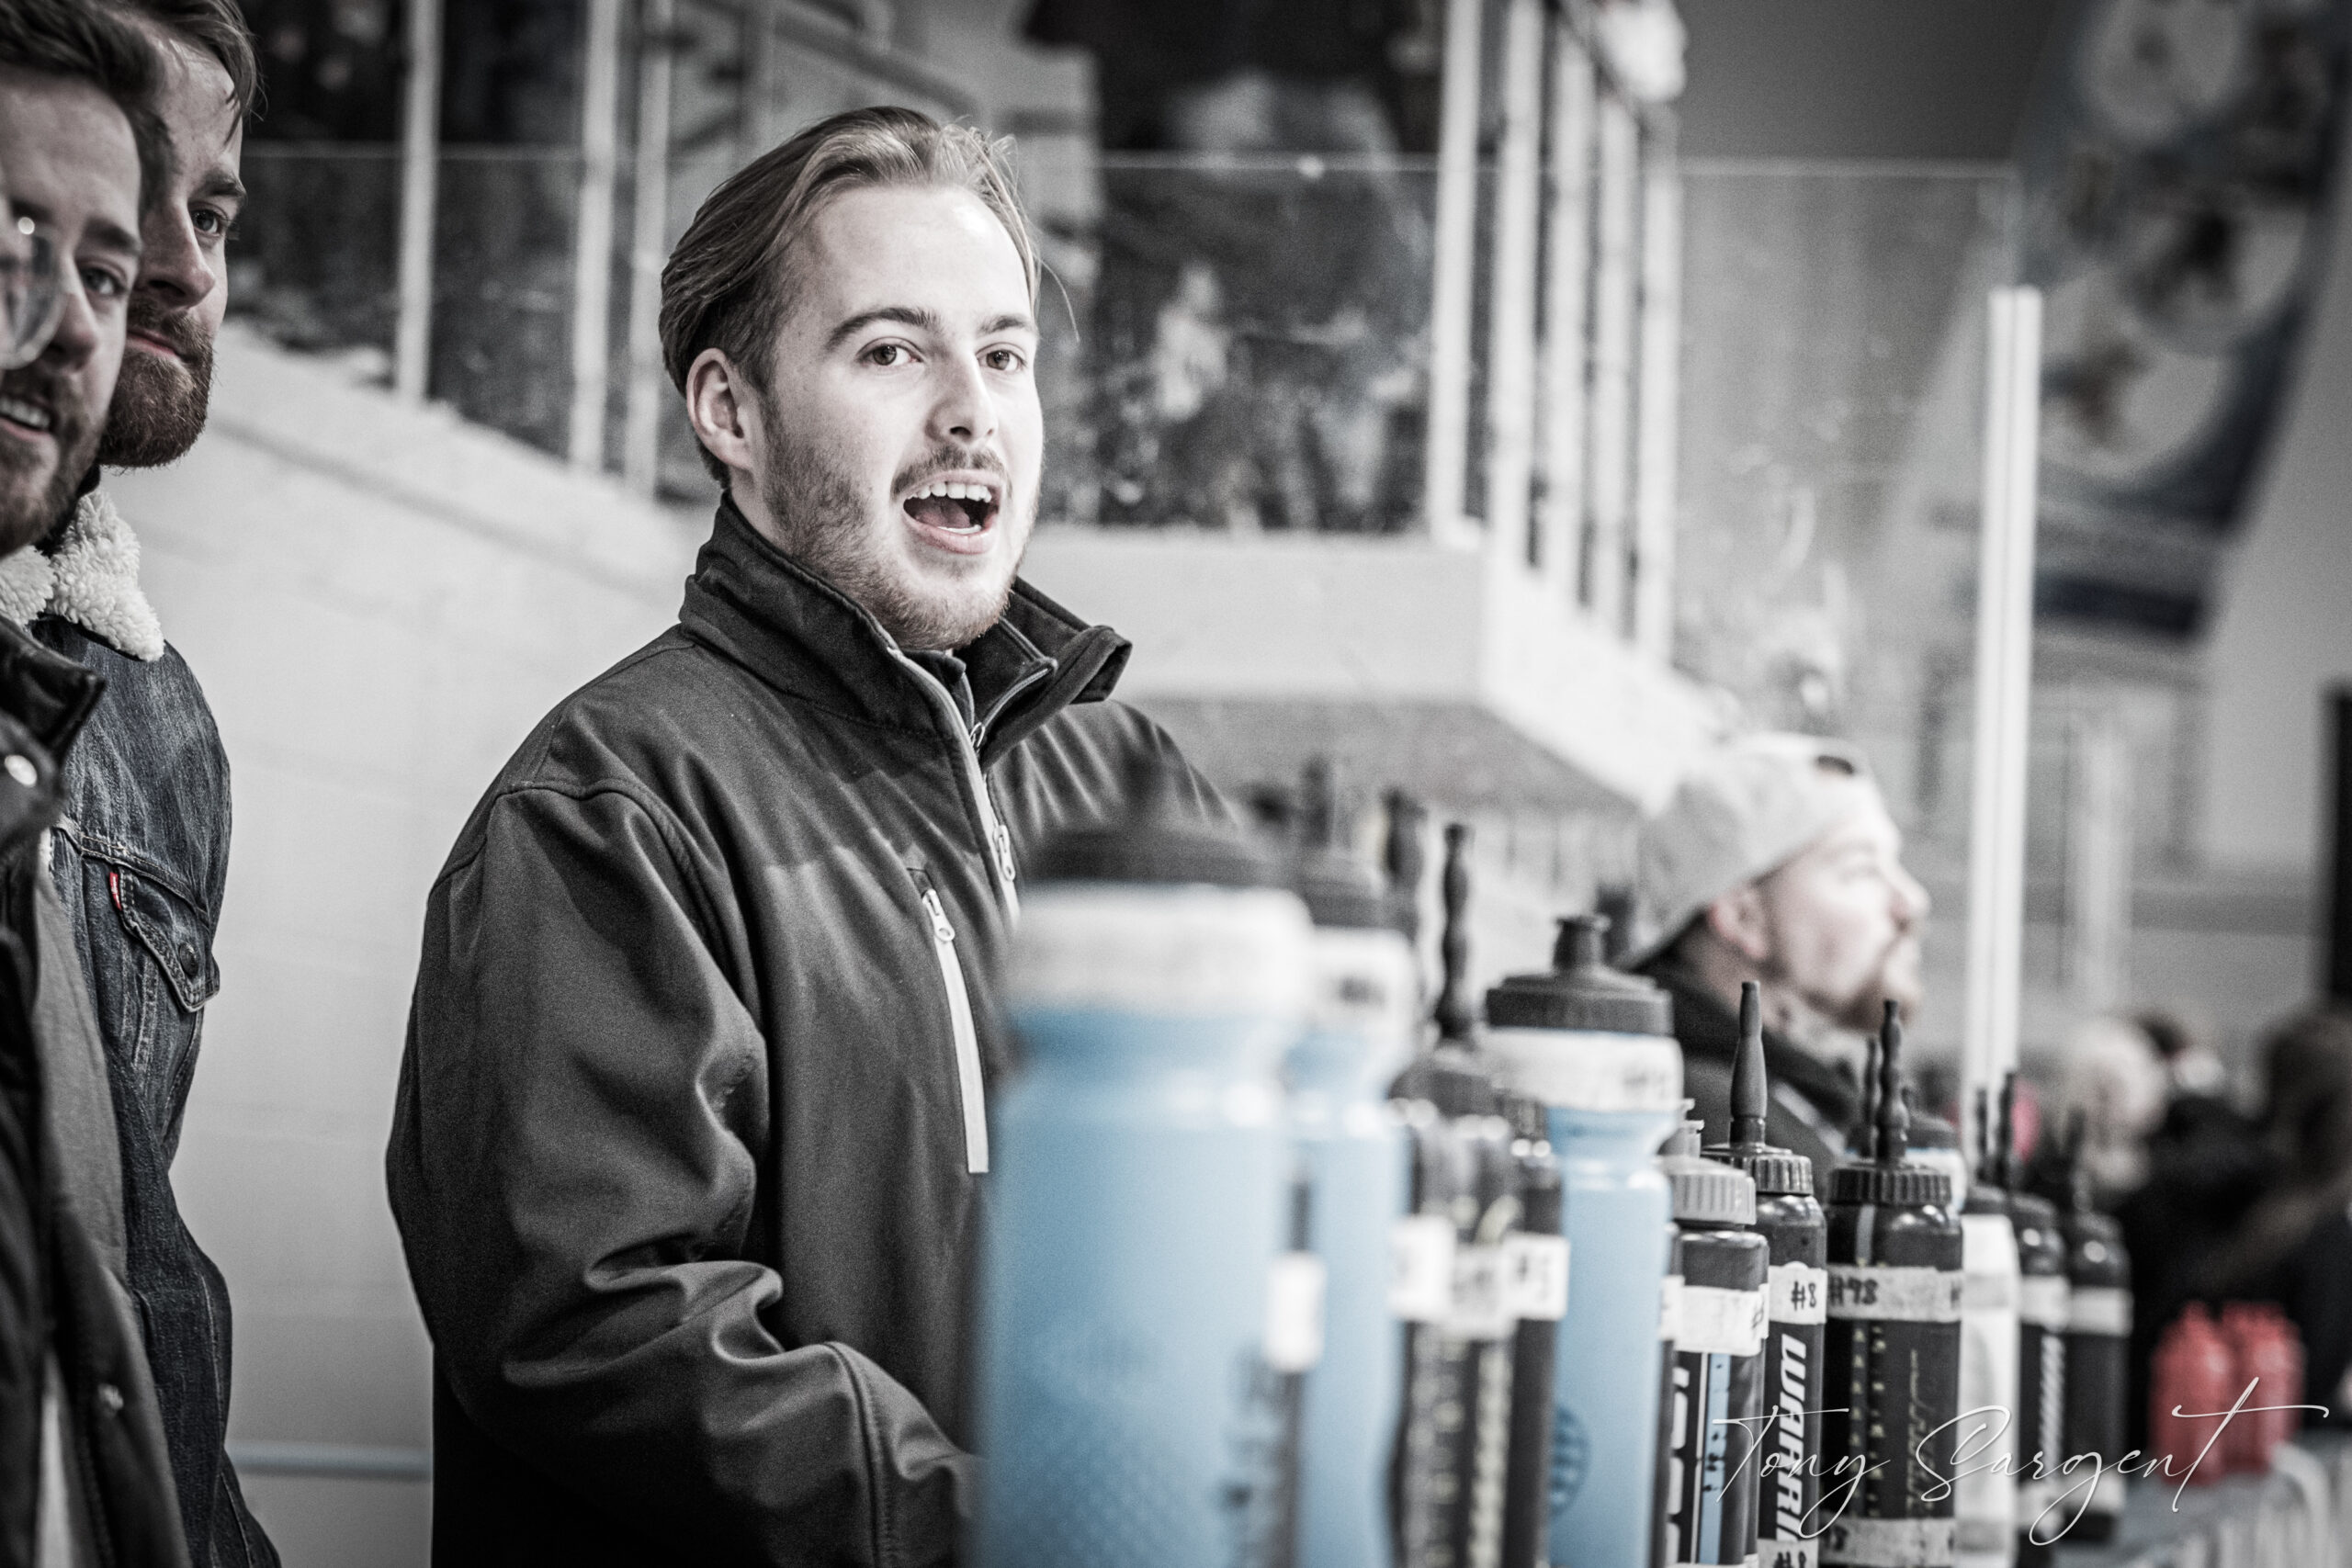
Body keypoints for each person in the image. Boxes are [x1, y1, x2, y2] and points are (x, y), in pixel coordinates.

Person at [387, 106, 1221, 1564]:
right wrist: (1015, 1531)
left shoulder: (1136, 790)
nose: (970, 409)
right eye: (893, 350)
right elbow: (598, 1322)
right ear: (731, 411)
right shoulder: (610, 810)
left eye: (1006, 353)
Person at [0, 3, 272, 1562]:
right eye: (44, 231)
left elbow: (137, 1275)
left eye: (203, 210)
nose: (179, 266)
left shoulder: (161, 726)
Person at [1629, 732, 1931, 1173]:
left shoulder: (1801, 1095)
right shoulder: (1710, 1121)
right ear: (1742, 917)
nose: (1912, 903)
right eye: (1861, 870)